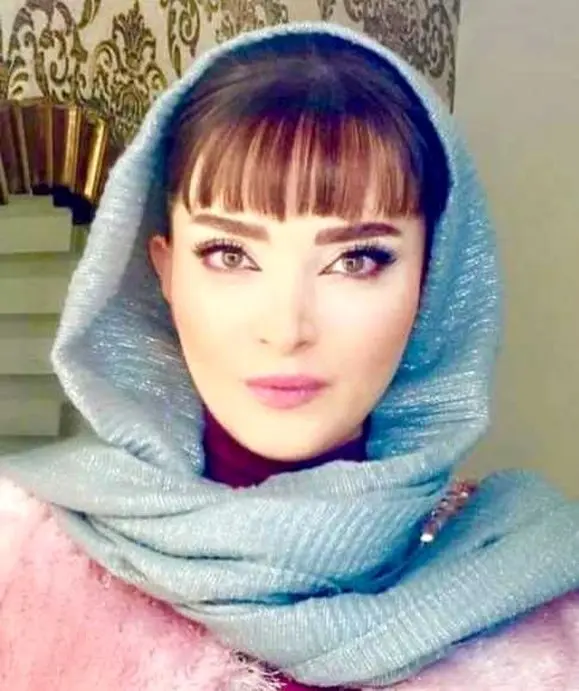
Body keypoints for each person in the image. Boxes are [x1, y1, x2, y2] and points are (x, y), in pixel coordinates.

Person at [1, 22, 578, 691]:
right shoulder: (21, 564)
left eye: (356, 259)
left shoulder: (544, 607)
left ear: (429, 284)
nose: (286, 328)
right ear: (166, 271)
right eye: (230, 254)